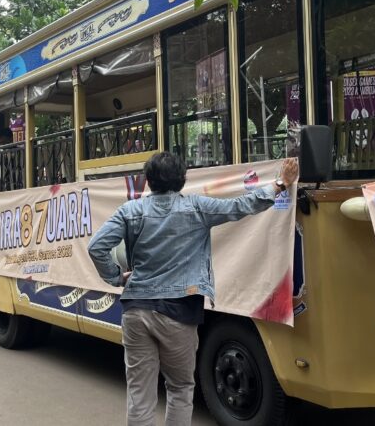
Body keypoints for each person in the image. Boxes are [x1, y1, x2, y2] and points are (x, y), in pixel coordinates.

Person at [88, 152, 299, 426]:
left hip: (136, 310)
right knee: (179, 387)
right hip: (179, 312)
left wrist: (116, 277)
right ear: (182, 180)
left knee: (140, 393)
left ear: (149, 181)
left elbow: (97, 247)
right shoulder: (197, 207)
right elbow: (242, 205)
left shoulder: (130, 211)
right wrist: (281, 183)